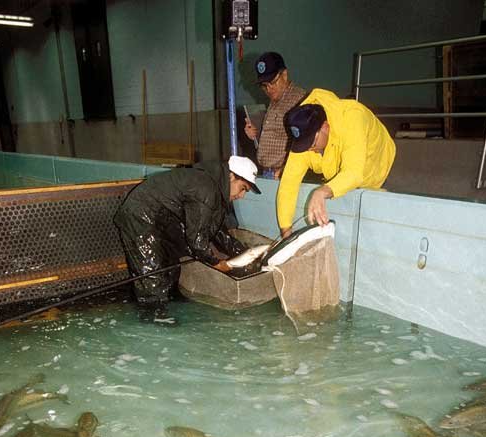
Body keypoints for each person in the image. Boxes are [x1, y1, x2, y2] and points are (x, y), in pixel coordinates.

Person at [114, 156, 261, 322]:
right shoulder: (205, 188)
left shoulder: (214, 188)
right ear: (231, 176)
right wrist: (216, 263)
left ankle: (165, 306)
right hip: (139, 216)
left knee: (172, 268)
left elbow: (216, 230)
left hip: (160, 220)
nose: (242, 196)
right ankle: (152, 319)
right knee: (152, 274)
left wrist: (243, 252)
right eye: (242, 188)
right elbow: (197, 240)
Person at [277, 88, 396, 235]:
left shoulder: (353, 118)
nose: (308, 149)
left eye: (311, 143)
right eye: (303, 145)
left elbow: (353, 172)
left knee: (377, 224)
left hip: (378, 167)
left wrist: (321, 192)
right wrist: (286, 230)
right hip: (340, 168)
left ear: (325, 127)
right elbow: (289, 183)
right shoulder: (304, 131)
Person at [244, 51, 306, 180]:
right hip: (268, 173)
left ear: (284, 75)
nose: (269, 89)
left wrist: (285, 170)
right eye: (264, 85)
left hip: (285, 174)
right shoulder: (275, 100)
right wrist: (255, 135)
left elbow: (307, 142)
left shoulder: (300, 100)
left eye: (273, 82)